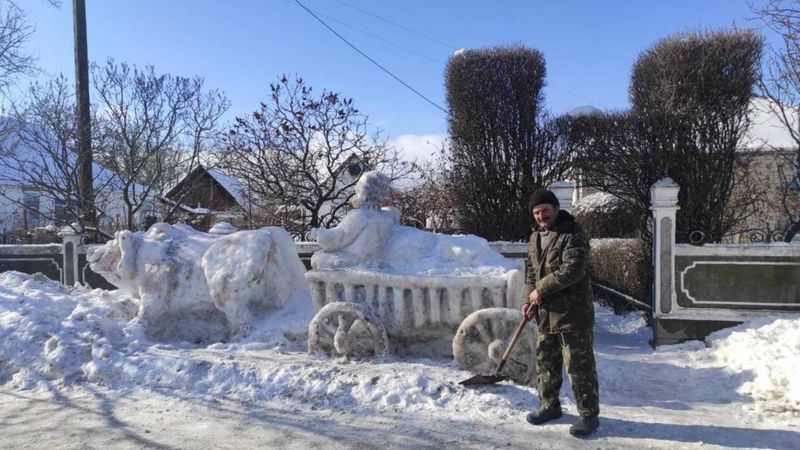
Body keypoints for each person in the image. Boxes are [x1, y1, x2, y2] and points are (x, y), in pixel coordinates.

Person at [521, 189, 600, 438]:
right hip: (546, 314)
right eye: (536, 212)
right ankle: (549, 407)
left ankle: (588, 415)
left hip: (573, 315)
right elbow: (532, 273)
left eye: (545, 210)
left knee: (579, 367)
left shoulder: (573, 234)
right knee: (545, 363)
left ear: (555, 209)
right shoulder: (535, 238)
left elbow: (573, 269)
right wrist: (529, 299)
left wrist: (540, 290)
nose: (541, 216)